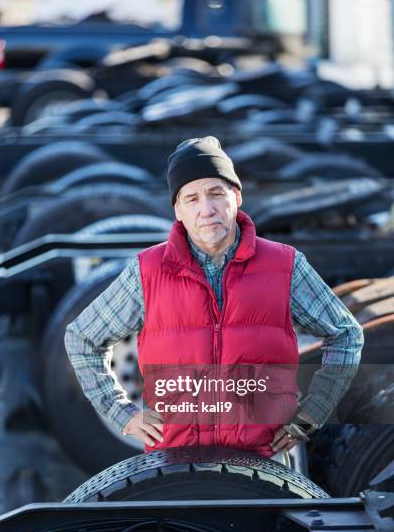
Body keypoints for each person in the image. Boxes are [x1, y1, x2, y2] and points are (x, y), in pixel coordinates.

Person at [64, 136, 364, 462]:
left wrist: (312, 413)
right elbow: (81, 338)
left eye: (216, 193)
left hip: (265, 466)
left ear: (236, 196)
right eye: (191, 198)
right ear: (177, 210)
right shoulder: (147, 272)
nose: (206, 210)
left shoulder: (285, 265)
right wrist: (122, 413)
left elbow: (346, 335)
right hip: (178, 469)